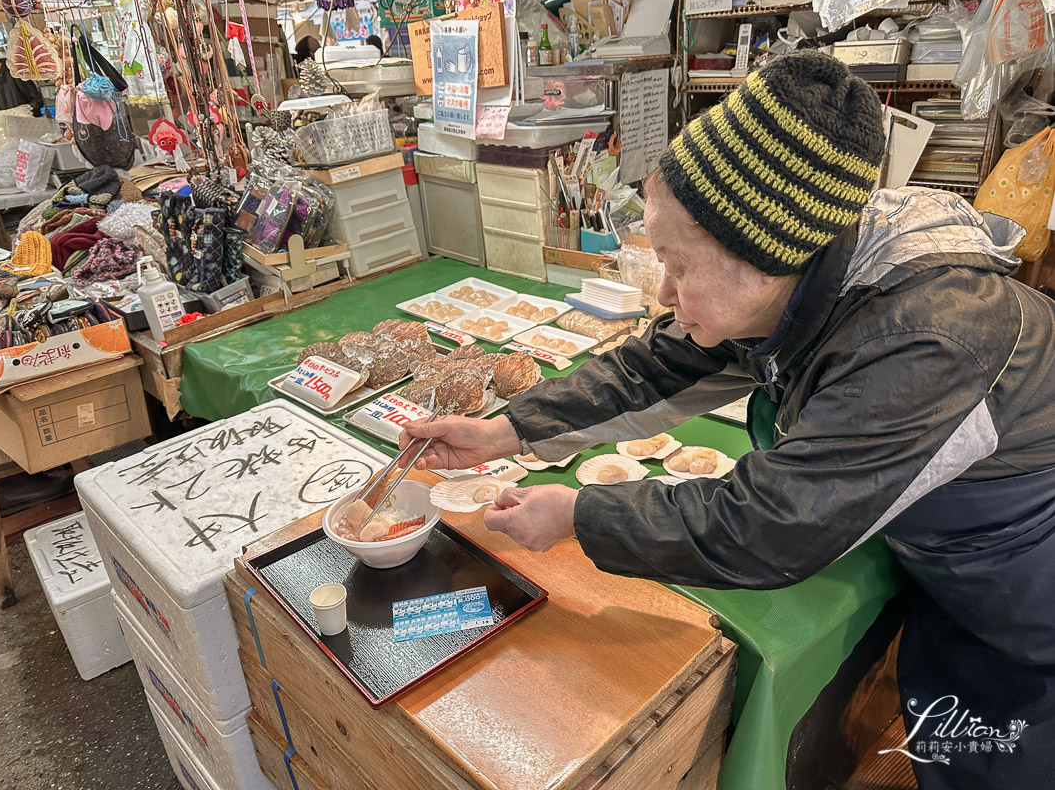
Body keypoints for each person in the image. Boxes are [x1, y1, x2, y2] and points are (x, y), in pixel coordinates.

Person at [400, 50, 1055, 789]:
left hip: (1022, 575)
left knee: (1001, 748)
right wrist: (502, 431)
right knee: (940, 714)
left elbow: (772, 526)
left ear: (764, 261)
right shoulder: (803, 264)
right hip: (940, 557)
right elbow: (652, 367)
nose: (664, 293)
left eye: (677, 266)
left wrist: (580, 515)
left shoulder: (926, 337)